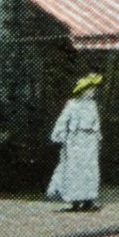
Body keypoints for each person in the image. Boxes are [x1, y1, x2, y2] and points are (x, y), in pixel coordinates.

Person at [47, 73, 103, 212]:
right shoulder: (73, 104)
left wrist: (98, 137)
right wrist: (58, 135)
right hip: (76, 139)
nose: (92, 92)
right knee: (75, 169)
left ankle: (89, 199)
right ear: (83, 90)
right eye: (89, 89)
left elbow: (97, 123)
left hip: (90, 140)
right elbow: (62, 120)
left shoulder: (92, 105)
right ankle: (75, 200)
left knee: (90, 169)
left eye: (93, 89)